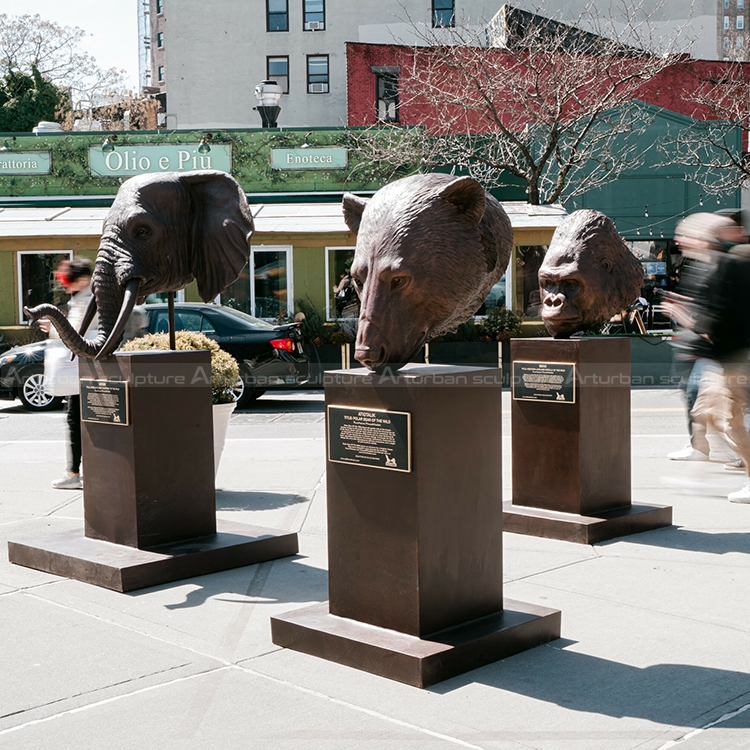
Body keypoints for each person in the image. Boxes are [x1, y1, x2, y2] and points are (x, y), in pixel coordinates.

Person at [663, 215, 750, 502]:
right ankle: (698, 477)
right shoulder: (718, 266)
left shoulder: (724, 268)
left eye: (684, 235)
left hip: (732, 360)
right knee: (704, 414)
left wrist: (683, 317)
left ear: (702, 238)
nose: (680, 241)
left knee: (731, 423)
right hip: (722, 360)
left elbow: (718, 323)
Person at [39, 258, 97, 490]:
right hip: (85, 371)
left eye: (68, 282)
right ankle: (76, 472)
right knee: (81, 421)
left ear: (82, 281)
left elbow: (74, 332)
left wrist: (52, 327)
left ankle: (74, 474)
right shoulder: (89, 297)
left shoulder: (87, 301)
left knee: (76, 421)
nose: (65, 287)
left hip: (82, 371)